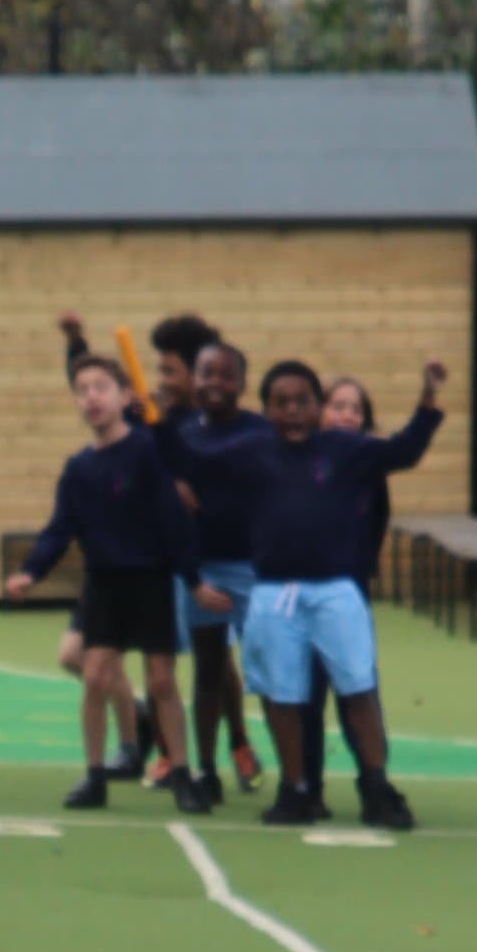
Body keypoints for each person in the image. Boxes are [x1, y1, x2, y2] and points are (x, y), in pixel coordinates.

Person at [222, 361, 442, 827]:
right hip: (274, 593)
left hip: (337, 590)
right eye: (281, 403)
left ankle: (376, 787)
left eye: (302, 401)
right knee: (284, 694)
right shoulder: (250, 452)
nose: (293, 412)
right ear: (266, 411)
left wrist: (427, 403)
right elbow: (191, 462)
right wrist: (157, 423)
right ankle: (297, 788)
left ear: (317, 408)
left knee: (358, 684)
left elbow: (403, 451)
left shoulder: (343, 449)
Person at [5, 349, 211, 813]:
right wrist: (31, 572)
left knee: (161, 681)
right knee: (95, 675)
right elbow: (61, 528)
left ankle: (182, 773)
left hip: (151, 579)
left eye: (100, 388)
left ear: (123, 396)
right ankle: (96, 775)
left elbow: (174, 517)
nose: (91, 398)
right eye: (82, 391)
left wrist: (192, 579)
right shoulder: (79, 468)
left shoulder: (148, 449)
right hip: (104, 583)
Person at [172, 338, 268, 800]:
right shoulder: (181, 431)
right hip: (202, 569)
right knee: (207, 669)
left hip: (252, 568)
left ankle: (295, 772)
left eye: (225, 374)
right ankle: (207, 769)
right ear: (194, 379)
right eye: (206, 372)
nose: (214, 382)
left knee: (269, 669)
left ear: (242, 384)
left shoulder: (261, 432)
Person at [294, 375, 385, 813]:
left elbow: (376, 526)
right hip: (305, 594)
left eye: (356, 409)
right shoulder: (301, 461)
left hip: (349, 591)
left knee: (359, 688)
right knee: (306, 693)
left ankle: (374, 783)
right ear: (320, 411)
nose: (346, 415)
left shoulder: (370, 468)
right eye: (338, 405)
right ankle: (307, 786)